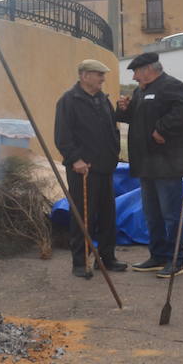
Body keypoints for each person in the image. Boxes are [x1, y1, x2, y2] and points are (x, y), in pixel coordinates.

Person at [116, 52, 183, 279]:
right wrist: (123, 108)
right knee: (152, 214)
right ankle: (158, 256)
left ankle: (176, 260)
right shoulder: (141, 91)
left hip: (167, 164)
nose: (134, 78)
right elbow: (135, 118)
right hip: (146, 164)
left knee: (171, 214)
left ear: (149, 69)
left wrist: (162, 129)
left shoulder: (173, 86)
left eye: (136, 72)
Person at [53, 58, 128, 279]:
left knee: (107, 215)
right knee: (82, 216)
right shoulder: (69, 100)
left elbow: (110, 128)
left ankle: (107, 258)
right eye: (99, 74)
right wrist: (75, 159)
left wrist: (114, 150)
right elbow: (62, 136)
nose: (103, 78)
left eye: (103, 75)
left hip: (105, 166)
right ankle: (80, 261)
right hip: (82, 169)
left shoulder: (102, 99)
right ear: (84, 76)